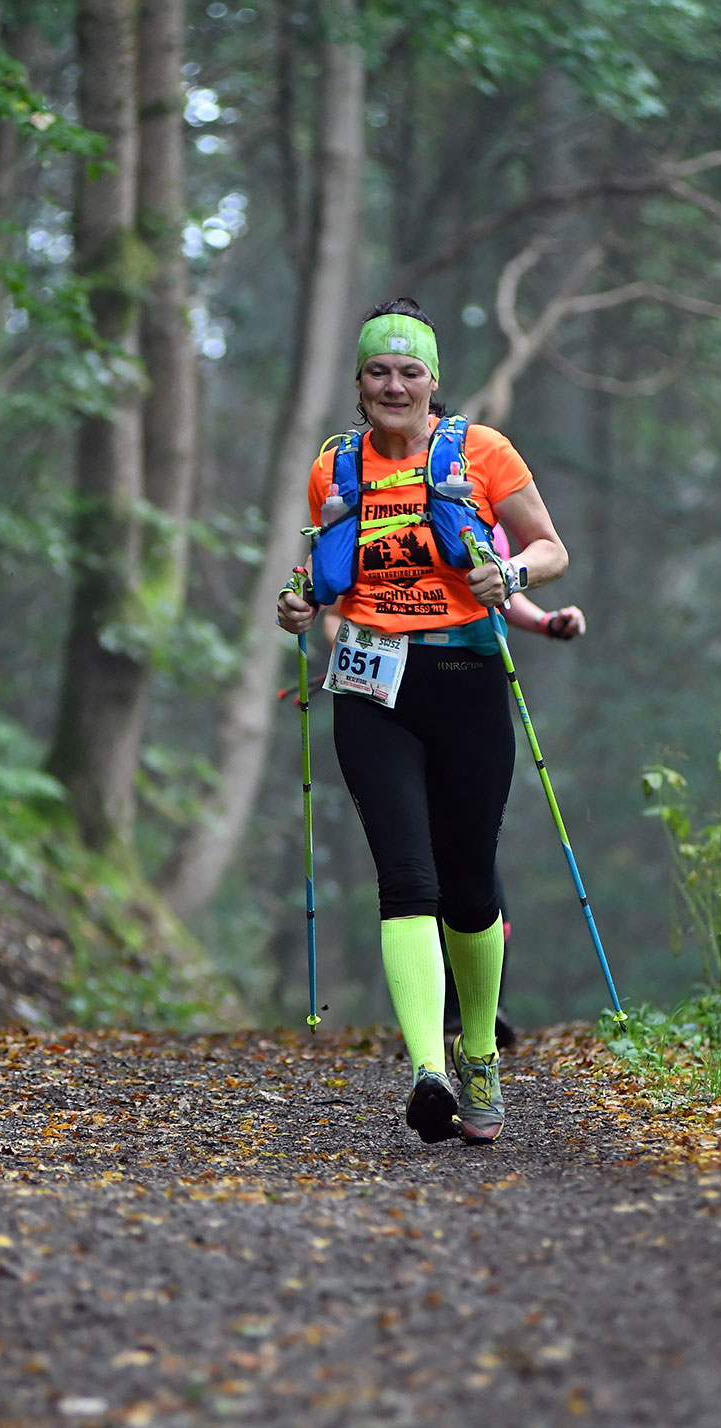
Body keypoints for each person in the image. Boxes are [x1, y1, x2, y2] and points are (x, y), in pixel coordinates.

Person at [277, 296, 569, 1145]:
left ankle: (479, 1053)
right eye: (378, 371)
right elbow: (320, 572)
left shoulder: (481, 452)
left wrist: (509, 578)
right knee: (406, 878)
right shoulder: (337, 467)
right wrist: (299, 605)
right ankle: (427, 1068)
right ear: (359, 383)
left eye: (410, 372)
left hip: (466, 679)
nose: (394, 385)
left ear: (434, 381)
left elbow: (550, 548)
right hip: (372, 687)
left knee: (471, 887)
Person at [317, 554, 586, 1051]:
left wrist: (547, 623)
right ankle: (437, 1034)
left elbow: (509, 591)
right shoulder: (355, 489)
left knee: (469, 866)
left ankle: (480, 1011)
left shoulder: (475, 503)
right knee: (412, 870)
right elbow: (331, 609)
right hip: (378, 695)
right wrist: (369, 648)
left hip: (464, 683)